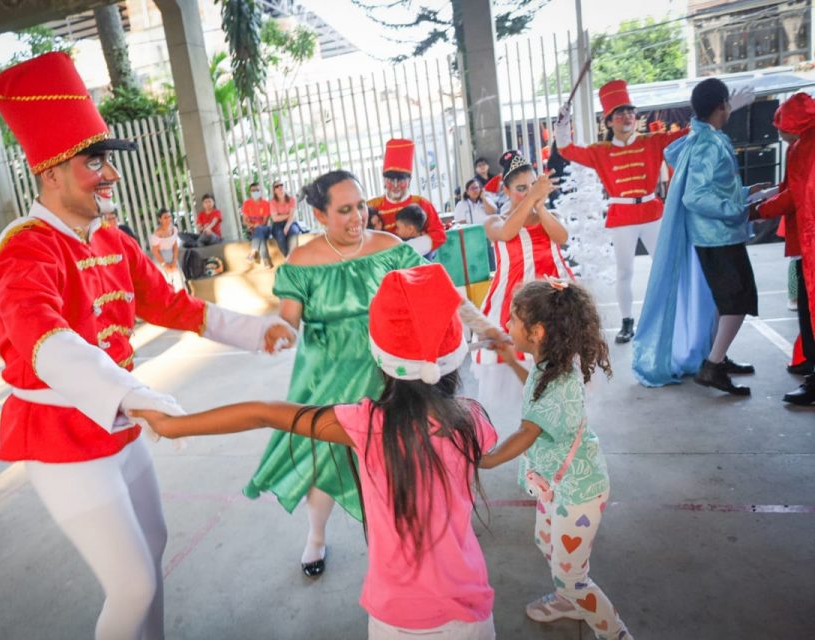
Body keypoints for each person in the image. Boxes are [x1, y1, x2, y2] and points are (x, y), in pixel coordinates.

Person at [0, 52, 296, 640]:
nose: (109, 174)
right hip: (63, 438)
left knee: (152, 549)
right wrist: (135, 396)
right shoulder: (27, 247)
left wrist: (256, 331)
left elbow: (171, 304)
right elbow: (42, 341)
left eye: (107, 161)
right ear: (50, 173)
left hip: (121, 425)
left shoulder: (111, 238)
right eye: (94, 162)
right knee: (131, 585)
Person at [131, 263, 499, 639]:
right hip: (471, 612)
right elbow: (487, 454)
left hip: (398, 618)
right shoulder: (471, 421)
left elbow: (262, 413)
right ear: (455, 356)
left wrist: (172, 425)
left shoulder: (367, 425)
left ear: (381, 359)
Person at [242, 170, 508, 578]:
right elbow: (289, 323)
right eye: (344, 210)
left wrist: (485, 325)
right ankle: (316, 536)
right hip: (326, 377)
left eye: (361, 206)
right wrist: (278, 333)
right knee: (324, 461)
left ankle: (422, 533)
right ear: (319, 215)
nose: (358, 217)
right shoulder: (301, 261)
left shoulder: (389, 248)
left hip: (392, 374)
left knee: (403, 457)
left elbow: (441, 292)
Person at [483, 279, 633, 640]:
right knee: (545, 539)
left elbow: (527, 432)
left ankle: (614, 632)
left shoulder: (558, 381)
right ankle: (570, 599)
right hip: (559, 485)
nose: (506, 325)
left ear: (536, 332)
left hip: (579, 492)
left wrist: (485, 460)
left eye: (513, 319)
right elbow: (535, 391)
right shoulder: (549, 366)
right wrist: (510, 360)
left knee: (573, 577)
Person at [632, 77, 769, 394]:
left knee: (725, 300)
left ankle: (715, 356)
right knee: (738, 300)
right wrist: (739, 208)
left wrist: (748, 192)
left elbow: (717, 186)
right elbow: (696, 196)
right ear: (722, 106)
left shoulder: (701, 137)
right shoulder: (708, 143)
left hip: (716, 234)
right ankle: (713, 365)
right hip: (718, 234)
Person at [555, 80, 690, 344]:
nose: (627, 117)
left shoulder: (653, 141)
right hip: (623, 216)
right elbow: (566, 150)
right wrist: (562, 125)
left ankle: (676, 314)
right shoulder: (600, 151)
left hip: (652, 212)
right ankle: (627, 321)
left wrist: (715, 112)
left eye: (630, 112)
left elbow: (687, 134)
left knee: (667, 265)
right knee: (625, 271)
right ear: (609, 122)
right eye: (619, 114)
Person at [473, 151, 573, 430]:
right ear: (505, 191)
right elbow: (507, 233)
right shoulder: (494, 221)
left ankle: (561, 428)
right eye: (521, 188)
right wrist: (533, 198)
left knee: (558, 371)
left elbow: (562, 237)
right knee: (524, 380)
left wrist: (540, 206)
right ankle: (533, 432)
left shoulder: (548, 215)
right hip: (513, 305)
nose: (528, 192)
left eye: (532, 185)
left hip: (555, 300)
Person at [755, 92, 815, 405]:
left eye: (781, 127)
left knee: (808, 307)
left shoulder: (805, 149)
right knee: (805, 305)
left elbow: (795, 195)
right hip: (805, 239)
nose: (777, 132)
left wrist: (758, 210)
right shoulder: (801, 145)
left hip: (811, 239)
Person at [368, 138, 447, 254]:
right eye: (391, 180)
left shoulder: (421, 203)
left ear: (409, 181)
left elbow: (439, 234)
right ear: (384, 181)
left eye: (401, 180)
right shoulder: (372, 206)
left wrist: (410, 249)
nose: (395, 185)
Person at [150, 207, 183, 290]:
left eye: (169, 217)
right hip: (160, 259)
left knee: (178, 282)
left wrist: (174, 261)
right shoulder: (157, 234)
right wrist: (164, 265)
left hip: (172, 256)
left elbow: (175, 246)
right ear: (160, 219)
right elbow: (155, 251)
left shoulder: (174, 229)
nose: (168, 219)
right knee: (165, 284)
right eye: (165, 217)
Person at [241, 182, 272, 266]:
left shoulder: (266, 204)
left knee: (259, 229)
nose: (255, 192)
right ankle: (266, 260)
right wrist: (253, 225)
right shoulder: (246, 204)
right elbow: (244, 221)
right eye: (253, 190)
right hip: (253, 231)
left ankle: (252, 252)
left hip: (265, 229)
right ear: (250, 192)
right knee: (260, 236)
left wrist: (254, 226)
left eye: (257, 190)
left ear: (260, 191)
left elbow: (264, 222)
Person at [269, 180, 301, 257]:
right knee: (280, 237)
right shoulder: (272, 202)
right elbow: (275, 218)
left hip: (290, 222)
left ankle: (291, 258)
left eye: (281, 185)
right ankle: (288, 257)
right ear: (274, 190)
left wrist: (287, 225)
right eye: (277, 186)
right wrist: (289, 215)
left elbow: (292, 216)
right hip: (277, 225)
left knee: (294, 232)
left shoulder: (292, 199)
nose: (280, 187)